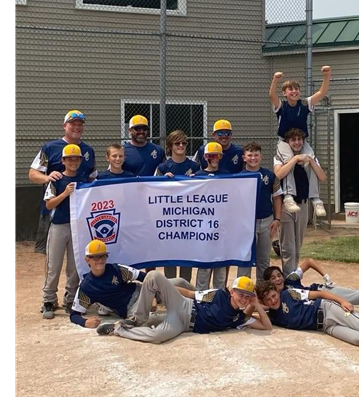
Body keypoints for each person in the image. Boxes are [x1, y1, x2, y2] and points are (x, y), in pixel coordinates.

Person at [96, 273, 271, 344]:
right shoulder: (218, 295)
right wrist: (164, 292)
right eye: (241, 294)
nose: (243, 298)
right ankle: (137, 318)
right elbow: (189, 293)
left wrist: (255, 305)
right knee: (153, 276)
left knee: (157, 336)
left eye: (247, 296)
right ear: (232, 292)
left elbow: (267, 327)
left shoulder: (240, 319)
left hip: (184, 324)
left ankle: (119, 329)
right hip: (184, 305)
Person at [28, 110, 98, 254]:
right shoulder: (50, 147)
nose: (77, 127)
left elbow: (92, 178)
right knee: (50, 254)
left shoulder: (88, 150)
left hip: (80, 211)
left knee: (79, 253)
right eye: (73, 124)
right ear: (64, 126)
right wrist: (47, 178)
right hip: (54, 210)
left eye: (80, 124)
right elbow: (33, 174)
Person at [268, 66, 331, 217]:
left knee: (311, 160)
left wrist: (327, 75)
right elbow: (271, 95)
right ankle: (289, 197)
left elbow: (322, 93)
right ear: (285, 93)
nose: (294, 91)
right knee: (290, 161)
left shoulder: (304, 104)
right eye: (290, 89)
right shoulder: (281, 106)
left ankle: (316, 200)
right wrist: (275, 80)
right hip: (285, 140)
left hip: (300, 140)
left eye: (296, 89)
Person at [40, 144, 91, 319]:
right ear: (63, 161)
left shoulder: (84, 179)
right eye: (70, 159)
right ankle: (48, 300)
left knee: (74, 266)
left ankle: (70, 299)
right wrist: (65, 193)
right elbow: (49, 204)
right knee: (53, 265)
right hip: (59, 225)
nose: (73, 162)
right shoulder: (57, 180)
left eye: (76, 158)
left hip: (77, 227)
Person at [255, 279, 359, 349]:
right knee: (358, 338)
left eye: (273, 296)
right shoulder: (272, 316)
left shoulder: (289, 294)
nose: (273, 300)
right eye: (268, 300)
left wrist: (342, 301)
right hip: (326, 327)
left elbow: (320, 294)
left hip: (328, 309)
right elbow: (248, 315)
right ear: (262, 302)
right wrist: (254, 302)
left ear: (277, 292)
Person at [273, 128, 327, 275]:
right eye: (293, 140)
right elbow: (278, 173)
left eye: (299, 139)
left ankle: (292, 276)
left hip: (303, 205)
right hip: (287, 205)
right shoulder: (280, 156)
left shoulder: (309, 156)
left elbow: (322, 177)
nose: (297, 142)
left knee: (298, 244)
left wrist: (310, 161)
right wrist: (295, 159)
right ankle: (288, 277)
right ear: (288, 142)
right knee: (288, 246)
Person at [154, 130, 201, 281]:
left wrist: (197, 180)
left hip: (188, 219)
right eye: (177, 143)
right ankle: (170, 290)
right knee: (170, 255)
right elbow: (152, 191)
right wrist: (161, 181)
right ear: (170, 146)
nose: (181, 146)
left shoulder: (194, 166)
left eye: (184, 143)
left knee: (186, 256)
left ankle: (184, 292)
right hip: (169, 220)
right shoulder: (163, 167)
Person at [236, 142, 282, 281]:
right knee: (245, 258)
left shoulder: (269, 175)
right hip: (247, 222)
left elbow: (277, 197)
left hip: (266, 221)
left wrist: (277, 219)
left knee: (263, 260)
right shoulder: (238, 177)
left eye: (256, 155)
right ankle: (243, 291)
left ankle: (262, 291)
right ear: (244, 158)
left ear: (261, 157)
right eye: (250, 155)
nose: (253, 158)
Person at [262, 261, 359, 309]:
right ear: (268, 282)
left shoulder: (290, 280)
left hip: (323, 292)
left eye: (279, 275)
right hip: (321, 305)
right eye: (273, 278)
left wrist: (324, 275)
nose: (278, 279)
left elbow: (309, 262)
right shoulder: (273, 298)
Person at [194, 141, 229, 290]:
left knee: (221, 264)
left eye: (218, 156)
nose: (215, 159)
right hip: (204, 226)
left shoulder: (227, 175)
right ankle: (201, 297)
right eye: (211, 156)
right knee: (205, 265)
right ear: (205, 157)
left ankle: (219, 296)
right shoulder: (197, 176)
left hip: (222, 225)